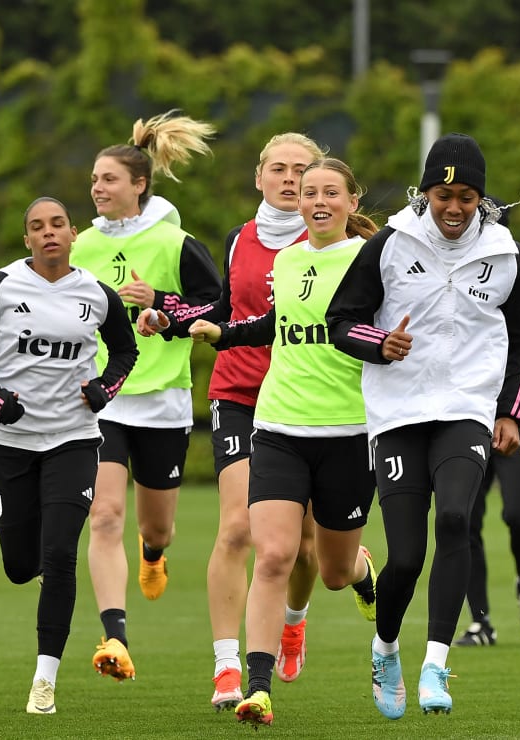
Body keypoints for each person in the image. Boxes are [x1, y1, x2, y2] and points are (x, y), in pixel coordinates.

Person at [327, 133, 520, 719]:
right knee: (404, 558)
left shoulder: (503, 255)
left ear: (482, 199)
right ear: (425, 195)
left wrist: (511, 412)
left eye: (467, 197)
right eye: (444, 195)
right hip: (397, 414)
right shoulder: (392, 245)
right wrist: (381, 342)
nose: (454, 208)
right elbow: (340, 321)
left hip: (466, 410)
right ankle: (386, 649)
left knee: (455, 519)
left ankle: (436, 664)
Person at [135, 133, 342, 708]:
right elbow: (224, 309)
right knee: (237, 529)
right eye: (277, 169)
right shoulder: (239, 239)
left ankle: (294, 622)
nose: (288, 179)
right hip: (240, 393)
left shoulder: (333, 242)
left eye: (300, 171)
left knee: (305, 549)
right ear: (259, 177)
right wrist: (170, 317)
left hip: (308, 401)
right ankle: (227, 667)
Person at [181, 157, 380, 727]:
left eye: (328, 192)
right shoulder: (288, 260)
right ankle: (257, 687)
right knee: (271, 553)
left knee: (333, 568)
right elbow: (274, 322)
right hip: (278, 425)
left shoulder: (371, 259)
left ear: (350, 201)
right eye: (308, 191)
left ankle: (363, 573)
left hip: (346, 430)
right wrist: (224, 334)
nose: (316, 200)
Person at [0, 196, 139, 714]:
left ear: (72, 233)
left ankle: (45, 680)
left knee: (62, 555)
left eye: (58, 225)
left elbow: (125, 351)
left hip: (74, 438)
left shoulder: (95, 293)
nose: (49, 233)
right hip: (11, 442)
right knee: (21, 566)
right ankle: (38, 566)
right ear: (27, 239)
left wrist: (105, 390)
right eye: (38, 227)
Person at [70, 111, 223, 682]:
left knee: (155, 528)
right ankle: (115, 637)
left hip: (162, 402)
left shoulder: (177, 243)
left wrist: (162, 305)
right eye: (94, 179)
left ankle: (154, 555)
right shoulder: (79, 246)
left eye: (109, 179)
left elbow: (217, 310)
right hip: (101, 400)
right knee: (104, 515)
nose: (98, 188)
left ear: (139, 184)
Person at [454, 209, 520, 649]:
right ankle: (481, 622)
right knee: (463, 520)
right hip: (466, 415)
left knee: (518, 512)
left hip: (519, 415)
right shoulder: (451, 277)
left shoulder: (517, 270)